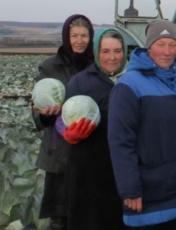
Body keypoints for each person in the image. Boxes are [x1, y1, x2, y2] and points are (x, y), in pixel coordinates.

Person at [108, 20, 176, 229]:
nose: (167, 51)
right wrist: (130, 189)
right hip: (146, 193)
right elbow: (121, 142)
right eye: (160, 44)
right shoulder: (129, 85)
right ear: (149, 46)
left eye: (172, 45)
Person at [58, 29, 128, 230]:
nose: (112, 57)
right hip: (88, 172)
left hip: (124, 169)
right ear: (97, 53)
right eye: (105, 51)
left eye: (117, 51)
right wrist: (67, 133)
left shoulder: (134, 80)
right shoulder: (81, 81)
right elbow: (62, 117)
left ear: (125, 52)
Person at [32, 14, 94, 230]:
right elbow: (37, 112)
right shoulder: (50, 67)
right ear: (66, 37)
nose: (80, 41)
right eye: (74, 35)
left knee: (88, 213)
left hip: (91, 148)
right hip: (60, 154)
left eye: (84, 35)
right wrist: (46, 113)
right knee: (59, 217)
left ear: (91, 37)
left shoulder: (97, 64)